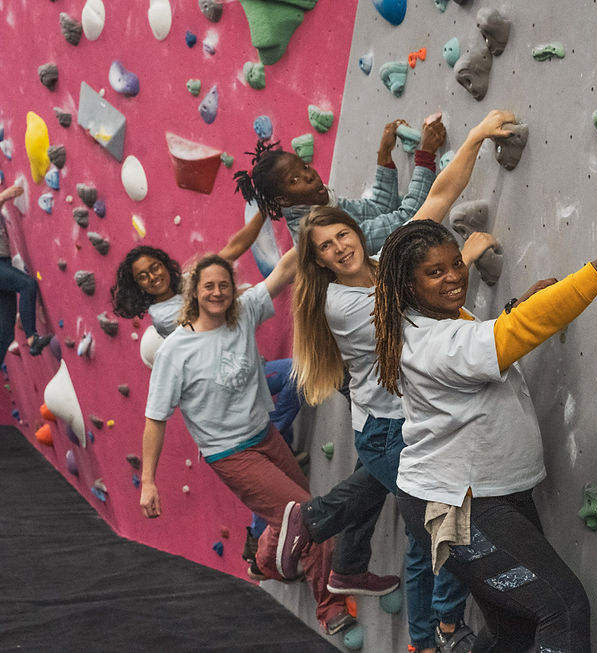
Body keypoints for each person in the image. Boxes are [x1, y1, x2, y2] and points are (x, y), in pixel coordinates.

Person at [278, 109, 516, 653]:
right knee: (446, 522)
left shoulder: (384, 260)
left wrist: (476, 137)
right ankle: (446, 627)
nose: (339, 247)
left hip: (408, 420)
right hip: (387, 434)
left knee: (423, 533)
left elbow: (438, 199)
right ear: (318, 262)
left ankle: (425, 639)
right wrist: (463, 258)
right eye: (325, 247)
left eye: (342, 234)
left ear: (355, 231)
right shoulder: (341, 304)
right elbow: (412, 312)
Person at [370, 217, 597, 652]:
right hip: (462, 506)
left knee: (513, 633)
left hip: (482, 493)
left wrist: (517, 306)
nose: (453, 277)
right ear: (409, 286)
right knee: (563, 609)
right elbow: (505, 337)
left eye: (456, 263)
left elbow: (483, 337)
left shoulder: (431, 321)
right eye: (435, 272)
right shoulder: (434, 343)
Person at [137, 250, 389, 635]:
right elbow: (155, 419)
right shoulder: (176, 350)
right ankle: (330, 607)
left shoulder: (242, 313)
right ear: (194, 293)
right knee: (308, 516)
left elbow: (285, 269)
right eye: (209, 286)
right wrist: (148, 481)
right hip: (230, 454)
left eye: (224, 285)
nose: (218, 292)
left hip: (266, 437)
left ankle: (266, 562)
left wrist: (312, 234)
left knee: (291, 515)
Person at [110, 215, 303, 573]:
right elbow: (215, 310)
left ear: (164, 264)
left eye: (154, 268)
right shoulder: (165, 314)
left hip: (248, 377)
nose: (153, 277)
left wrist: (261, 213)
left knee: (297, 378)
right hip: (231, 394)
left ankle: (278, 443)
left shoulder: (192, 280)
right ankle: (261, 547)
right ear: (139, 287)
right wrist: (237, 296)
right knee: (294, 379)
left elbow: (232, 248)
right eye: (143, 277)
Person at [234, 116, 446, 250]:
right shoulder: (321, 231)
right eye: (294, 180)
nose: (309, 176)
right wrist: (426, 157)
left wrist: (384, 154)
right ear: (284, 200)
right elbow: (408, 222)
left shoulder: (317, 203)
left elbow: (378, 210)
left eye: (305, 167)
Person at [0, 185, 51, 364]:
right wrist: (4, 196)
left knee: (6, 332)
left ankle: (32, 341)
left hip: (4, 262)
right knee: (27, 284)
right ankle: (32, 338)